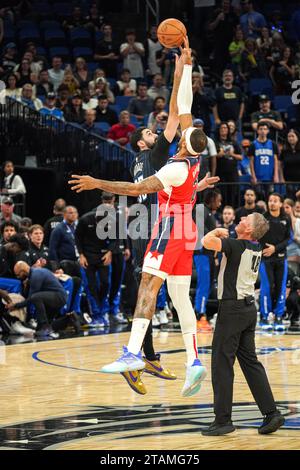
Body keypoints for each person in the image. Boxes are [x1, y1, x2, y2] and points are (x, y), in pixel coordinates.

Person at [69, 37, 213, 397]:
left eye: (180, 130)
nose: (175, 127)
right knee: (180, 299)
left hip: (167, 226)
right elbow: (185, 105)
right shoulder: (193, 157)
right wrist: (185, 65)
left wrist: (94, 182)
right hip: (186, 226)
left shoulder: (175, 165)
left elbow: (134, 191)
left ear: (182, 141)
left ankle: (134, 353)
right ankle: (194, 362)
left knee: (148, 286)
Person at [201, 213, 284, 436]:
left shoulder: (236, 245)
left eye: (246, 218)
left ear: (249, 230)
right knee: (250, 363)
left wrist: (215, 232)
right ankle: (272, 413)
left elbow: (206, 242)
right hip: (248, 310)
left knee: (221, 363)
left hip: (233, 309)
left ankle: (223, 420)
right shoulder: (255, 247)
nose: (241, 218)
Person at [8, 261, 67, 338]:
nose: (18, 277)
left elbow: (31, 299)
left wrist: (15, 306)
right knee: (38, 330)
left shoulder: (36, 275)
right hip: (54, 297)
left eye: (18, 275)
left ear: (23, 271)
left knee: (36, 297)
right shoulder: (35, 273)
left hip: (59, 297)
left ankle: (45, 327)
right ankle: (49, 325)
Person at [259, 193, 291, 332]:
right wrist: (267, 250)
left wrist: (275, 249)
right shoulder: (263, 218)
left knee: (280, 288)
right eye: (270, 200)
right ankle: (264, 317)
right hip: (266, 258)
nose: (272, 203)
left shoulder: (286, 218)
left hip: (281, 258)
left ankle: (278, 316)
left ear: (281, 204)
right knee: (266, 287)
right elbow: (257, 236)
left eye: (275, 201)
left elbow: (288, 239)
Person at [194, 189, 222, 332]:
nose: (220, 203)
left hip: (210, 254)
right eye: (218, 199)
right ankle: (200, 316)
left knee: (209, 284)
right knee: (203, 284)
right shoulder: (200, 209)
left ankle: (201, 313)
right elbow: (201, 231)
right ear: (211, 198)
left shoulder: (209, 213)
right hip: (201, 253)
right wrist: (217, 234)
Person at [248, 121, 279, 197]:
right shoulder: (253, 144)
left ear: (268, 131)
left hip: (270, 176)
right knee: (259, 197)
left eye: (265, 129)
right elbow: (251, 162)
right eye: (261, 129)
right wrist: (253, 176)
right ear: (257, 130)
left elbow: (275, 160)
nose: (263, 131)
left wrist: (276, 175)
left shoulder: (273, 144)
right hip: (258, 177)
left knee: (270, 197)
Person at [215, 122, 242, 207]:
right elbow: (210, 157)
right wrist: (218, 155)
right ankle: (222, 212)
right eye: (221, 128)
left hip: (232, 173)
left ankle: (232, 211)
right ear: (218, 130)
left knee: (232, 193)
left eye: (225, 128)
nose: (223, 130)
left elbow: (241, 157)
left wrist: (232, 154)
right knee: (221, 193)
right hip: (220, 172)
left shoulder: (234, 142)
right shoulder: (215, 142)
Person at [49, 205, 80, 277]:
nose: (73, 215)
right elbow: (52, 249)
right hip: (65, 263)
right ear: (64, 214)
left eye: (75, 213)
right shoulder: (58, 229)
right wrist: (56, 266)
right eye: (71, 213)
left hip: (78, 261)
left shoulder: (78, 227)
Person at [279, 129, 300, 198]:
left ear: (297, 137)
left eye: (292, 136)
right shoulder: (284, 151)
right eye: (289, 136)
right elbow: (280, 165)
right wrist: (282, 178)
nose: (290, 138)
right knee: (290, 200)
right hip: (288, 181)